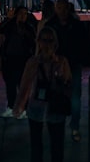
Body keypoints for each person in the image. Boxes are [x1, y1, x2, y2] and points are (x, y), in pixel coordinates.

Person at [14, 26, 72, 162]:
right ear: (38, 42)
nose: (47, 44)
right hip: (36, 107)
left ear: (55, 43)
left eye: (50, 41)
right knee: (36, 146)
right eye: (44, 40)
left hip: (55, 108)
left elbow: (68, 84)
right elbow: (25, 85)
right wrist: (19, 105)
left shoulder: (62, 62)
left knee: (57, 146)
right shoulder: (33, 62)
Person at [45, 0, 90, 142]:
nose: (62, 11)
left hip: (72, 63)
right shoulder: (54, 25)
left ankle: (74, 126)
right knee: (58, 95)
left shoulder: (72, 25)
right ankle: (61, 125)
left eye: (64, 8)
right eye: (59, 8)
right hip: (57, 64)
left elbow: (84, 43)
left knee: (75, 96)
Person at [0, 5, 37, 118]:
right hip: (9, 58)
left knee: (22, 85)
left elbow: (32, 40)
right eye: (20, 13)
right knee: (10, 84)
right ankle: (11, 107)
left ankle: (23, 108)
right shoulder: (10, 25)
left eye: (25, 14)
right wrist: (8, 19)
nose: (23, 16)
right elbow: (0, 29)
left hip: (23, 59)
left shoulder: (28, 27)